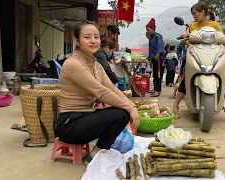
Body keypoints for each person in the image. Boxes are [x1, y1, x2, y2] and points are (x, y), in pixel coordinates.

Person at [54, 20, 140, 165]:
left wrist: (132, 106)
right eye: (87, 37)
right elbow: (101, 92)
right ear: (76, 40)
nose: (93, 41)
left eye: (96, 37)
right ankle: (95, 153)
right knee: (121, 113)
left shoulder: (95, 64)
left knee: (121, 109)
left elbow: (111, 88)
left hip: (85, 117)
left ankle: (97, 150)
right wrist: (130, 108)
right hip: (69, 124)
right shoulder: (73, 63)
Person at [173, 2, 225, 122]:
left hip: (212, 55)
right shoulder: (191, 26)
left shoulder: (215, 25)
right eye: (192, 14)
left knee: (224, 81)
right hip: (197, 55)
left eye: (195, 13)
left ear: (203, 12)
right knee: (187, 79)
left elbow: (221, 38)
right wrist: (184, 37)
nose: (194, 16)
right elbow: (185, 41)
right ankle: (175, 106)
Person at [146, 18, 165, 97]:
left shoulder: (157, 36)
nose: (147, 31)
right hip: (154, 58)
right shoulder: (151, 38)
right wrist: (150, 58)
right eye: (146, 29)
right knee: (154, 74)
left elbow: (160, 46)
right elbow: (151, 49)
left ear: (153, 29)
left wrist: (158, 54)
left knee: (158, 75)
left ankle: (158, 90)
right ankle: (155, 88)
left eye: (148, 29)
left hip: (159, 58)